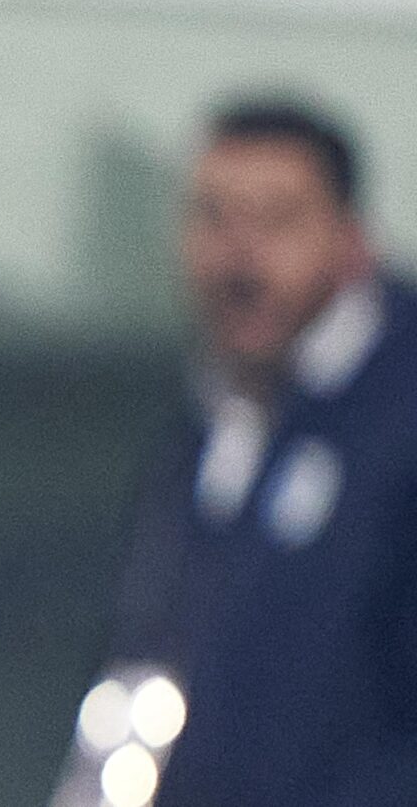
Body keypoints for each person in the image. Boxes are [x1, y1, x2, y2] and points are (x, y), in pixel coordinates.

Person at [56, 100, 417, 807]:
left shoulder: (398, 418)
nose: (240, 255)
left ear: (351, 240)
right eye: (215, 218)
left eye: (277, 219)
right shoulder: (207, 426)